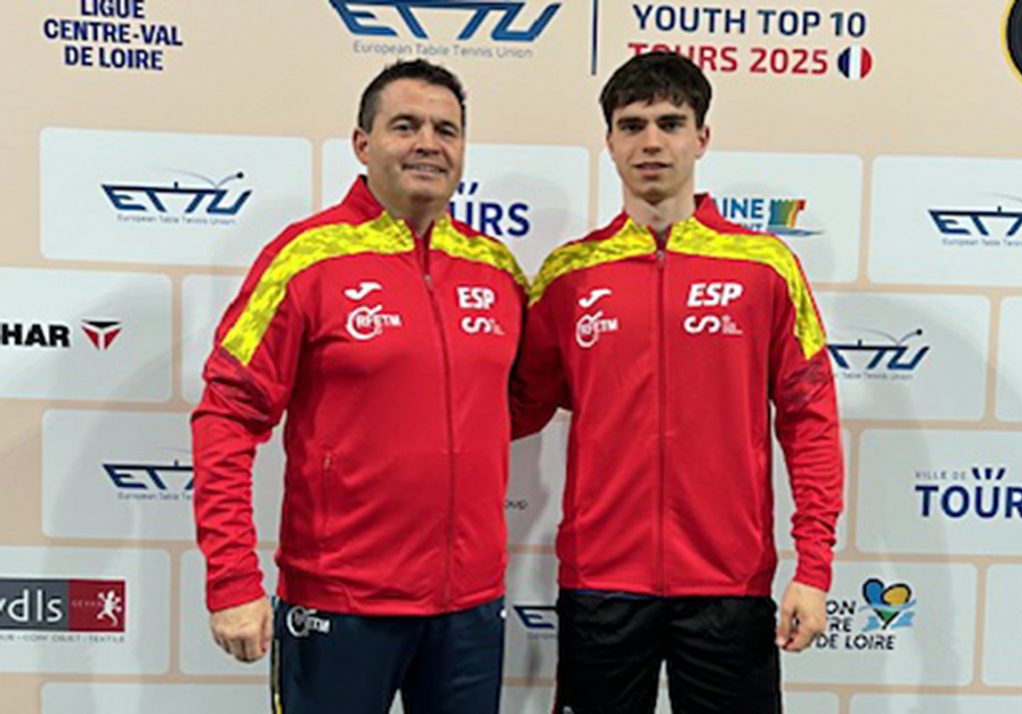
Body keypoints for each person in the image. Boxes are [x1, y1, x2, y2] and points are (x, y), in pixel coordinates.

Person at [511, 51, 844, 714]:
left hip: (728, 584)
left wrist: (813, 567)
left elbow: (810, 420)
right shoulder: (568, 275)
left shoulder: (764, 266)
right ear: (609, 142)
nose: (652, 142)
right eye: (632, 126)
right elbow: (514, 407)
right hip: (602, 584)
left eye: (670, 123)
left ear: (702, 137)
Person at [192, 59, 527, 714]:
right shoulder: (306, 258)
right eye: (405, 126)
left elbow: (519, 403)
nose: (428, 143)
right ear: (362, 143)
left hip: (469, 610)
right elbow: (226, 415)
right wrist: (231, 579)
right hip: (340, 605)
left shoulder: (496, 270)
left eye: (446, 130)